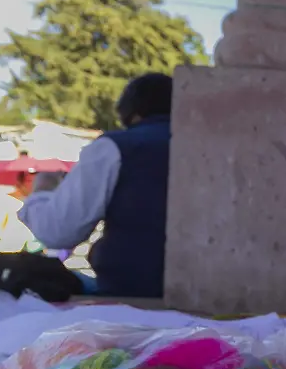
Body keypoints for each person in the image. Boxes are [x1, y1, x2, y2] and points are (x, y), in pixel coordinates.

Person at [18, 73, 173, 298]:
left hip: (132, 293)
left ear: (131, 114)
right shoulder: (219, 148)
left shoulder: (117, 147)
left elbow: (58, 232)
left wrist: (42, 190)